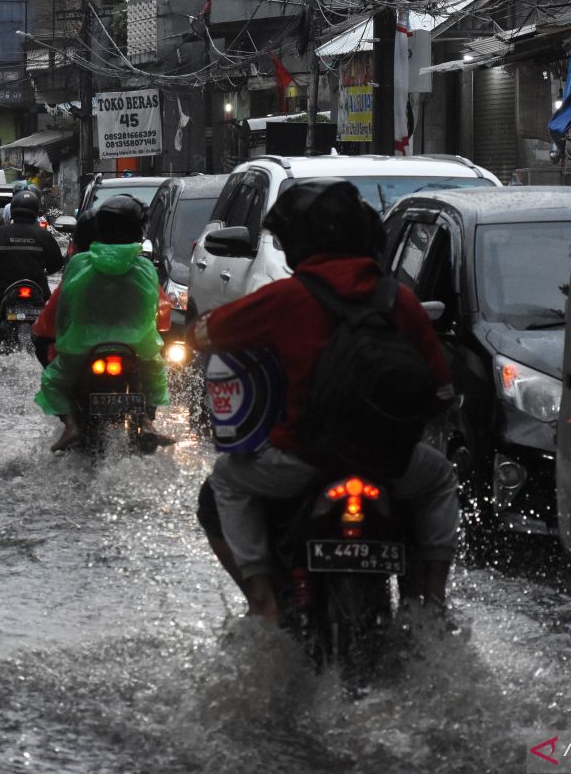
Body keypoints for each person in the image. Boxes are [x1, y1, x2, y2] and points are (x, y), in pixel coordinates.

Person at [186, 179, 459, 625]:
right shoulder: (400, 300)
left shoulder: (285, 298)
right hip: (391, 464)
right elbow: (442, 393)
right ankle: (432, 604)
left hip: (302, 459)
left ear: (298, 243)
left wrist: (199, 332)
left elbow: (203, 333)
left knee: (224, 483)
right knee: (441, 478)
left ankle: (263, 602)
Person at [34, 195, 168, 451]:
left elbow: (61, 310)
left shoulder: (79, 264)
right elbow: (160, 313)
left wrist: (59, 339)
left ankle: (71, 425)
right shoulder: (145, 268)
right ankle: (148, 421)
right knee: (155, 374)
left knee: (53, 380)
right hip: (137, 348)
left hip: (81, 347)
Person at [0, 189, 63, 327]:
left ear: (13, 209)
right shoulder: (44, 235)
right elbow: (56, 264)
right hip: (37, 289)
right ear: (36, 210)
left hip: (2, 289)